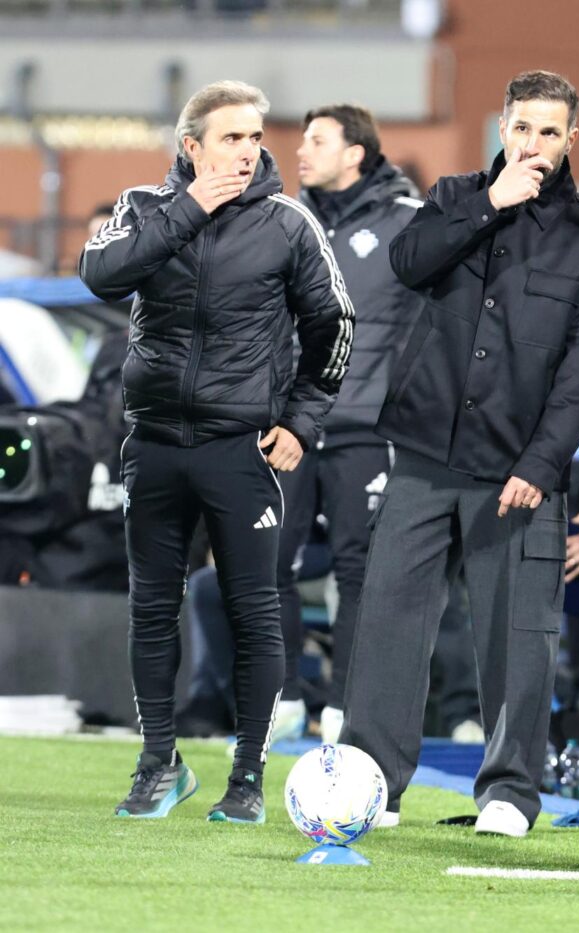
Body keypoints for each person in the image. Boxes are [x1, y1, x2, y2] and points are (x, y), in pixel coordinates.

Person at [339, 70, 579, 837]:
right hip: (423, 450)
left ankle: (510, 791)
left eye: (549, 131)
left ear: (571, 139)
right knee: (389, 622)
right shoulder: (456, 196)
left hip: (517, 470)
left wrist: (541, 464)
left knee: (517, 638)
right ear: (503, 127)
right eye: (522, 127)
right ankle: (372, 781)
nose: (533, 143)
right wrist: (490, 205)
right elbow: (407, 263)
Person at [80, 79, 354, 823]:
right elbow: (101, 275)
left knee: (254, 611)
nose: (249, 150)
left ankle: (248, 777)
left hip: (240, 447)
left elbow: (335, 325)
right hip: (154, 443)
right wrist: (190, 208)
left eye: (255, 136)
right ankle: (158, 765)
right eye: (232, 137)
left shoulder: (289, 223)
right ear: (191, 146)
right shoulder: (144, 207)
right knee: (151, 608)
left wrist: (301, 422)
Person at [286, 103, 425, 744]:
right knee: (265, 563)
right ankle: (282, 697)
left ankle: (345, 708)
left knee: (358, 573)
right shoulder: (287, 221)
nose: (301, 151)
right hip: (289, 426)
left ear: (355, 154)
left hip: (365, 428)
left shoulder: (408, 221)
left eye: (317, 141)